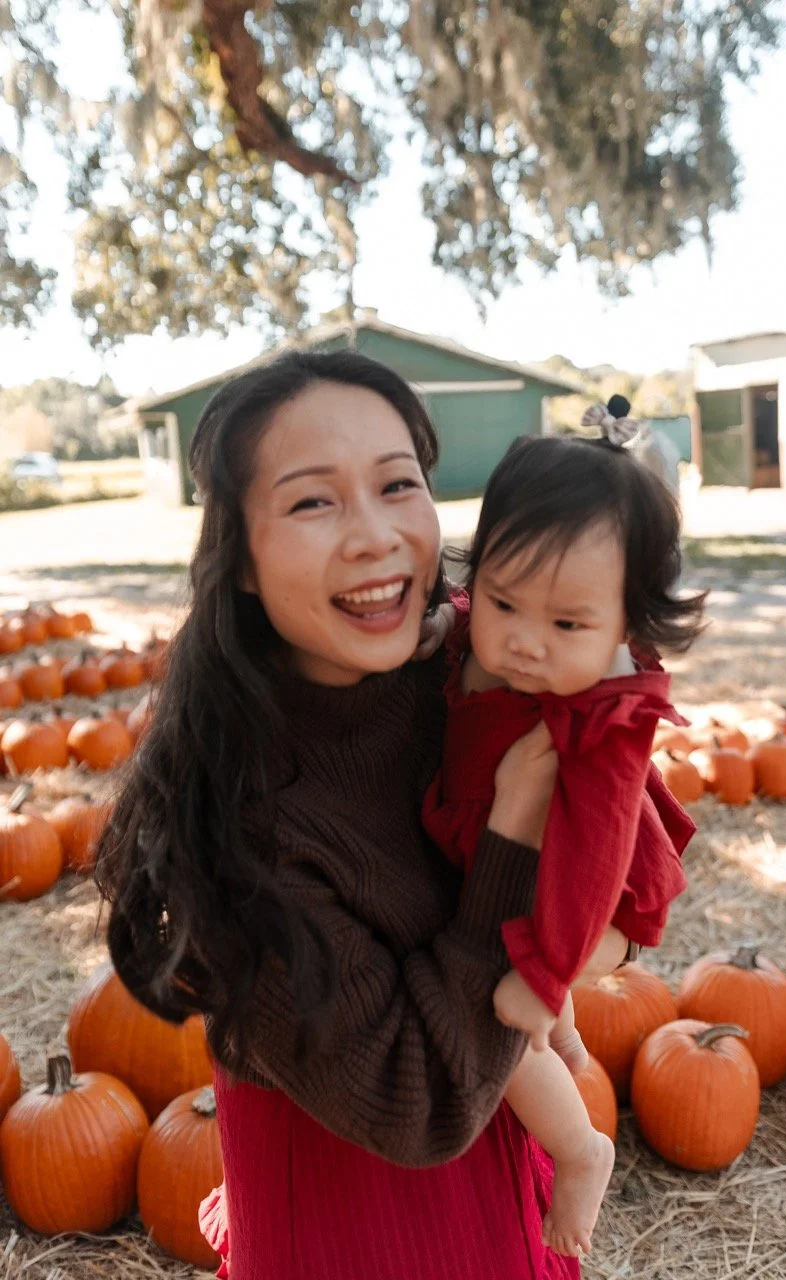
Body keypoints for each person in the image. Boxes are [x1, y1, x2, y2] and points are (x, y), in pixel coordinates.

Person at [95, 350, 632, 1280]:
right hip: (353, 1224)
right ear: (243, 558)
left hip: (496, 1182)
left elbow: (624, 865)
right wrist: (516, 826)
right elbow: (412, 1102)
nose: (375, 534)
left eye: (398, 484)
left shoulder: (468, 667)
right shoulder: (237, 820)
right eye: (312, 501)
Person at [423, 406, 706, 1256]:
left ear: (627, 624)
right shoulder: (493, 625)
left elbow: (593, 857)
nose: (525, 643)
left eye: (568, 625)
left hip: (576, 887)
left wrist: (545, 975)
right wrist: (449, 626)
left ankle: (580, 1150)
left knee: (490, 1016)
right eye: (504, 600)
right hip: (494, 849)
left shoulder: (603, 718)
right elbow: (481, 618)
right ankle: (565, 1033)